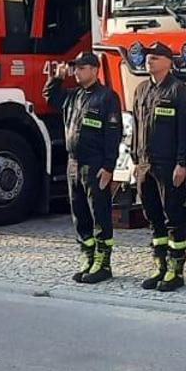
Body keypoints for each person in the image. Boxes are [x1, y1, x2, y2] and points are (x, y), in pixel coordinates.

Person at [44, 51, 123, 284]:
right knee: (79, 215)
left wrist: (109, 166)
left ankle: (103, 263)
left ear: (94, 69)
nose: (76, 72)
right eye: (75, 68)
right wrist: (56, 78)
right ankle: (88, 257)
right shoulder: (74, 96)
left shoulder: (107, 97)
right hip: (73, 164)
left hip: (95, 164)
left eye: (81, 68)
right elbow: (50, 97)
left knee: (99, 214)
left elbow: (113, 134)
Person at [131, 41, 186, 291]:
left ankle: (176, 270)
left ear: (169, 62)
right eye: (149, 56)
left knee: (173, 217)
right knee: (153, 217)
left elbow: (185, 131)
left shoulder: (179, 90)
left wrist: (182, 163)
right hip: (146, 165)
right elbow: (137, 127)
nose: (150, 60)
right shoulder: (141, 90)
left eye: (157, 57)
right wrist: (136, 161)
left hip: (169, 165)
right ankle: (159, 266)